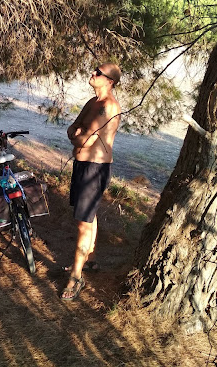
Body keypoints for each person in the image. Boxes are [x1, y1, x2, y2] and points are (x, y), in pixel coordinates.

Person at [61, 62, 121, 301]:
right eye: (94, 70)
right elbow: (73, 128)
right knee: (86, 217)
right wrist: (77, 133)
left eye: (99, 73)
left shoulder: (108, 107)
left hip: (94, 169)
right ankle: (90, 259)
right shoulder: (92, 102)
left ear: (110, 81)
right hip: (82, 166)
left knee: (83, 223)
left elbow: (83, 140)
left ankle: (76, 277)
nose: (93, 73)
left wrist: (78, 135)